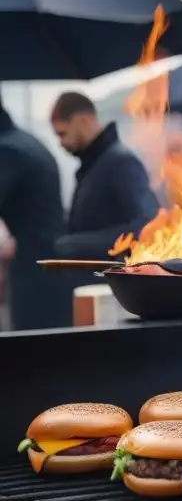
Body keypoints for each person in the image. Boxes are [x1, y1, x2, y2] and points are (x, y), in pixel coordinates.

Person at [50, 92, 158, 260]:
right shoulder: (93, 165)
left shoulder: (122, 163)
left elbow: (146, 226)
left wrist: (76, 245)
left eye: (62, 133)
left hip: (112, 279)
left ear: (83, 120)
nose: (61, 143)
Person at [0, 96, 71, 330]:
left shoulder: (9, 150)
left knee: (33, 350)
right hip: (49, 262)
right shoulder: (24, 142)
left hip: (35, 268)